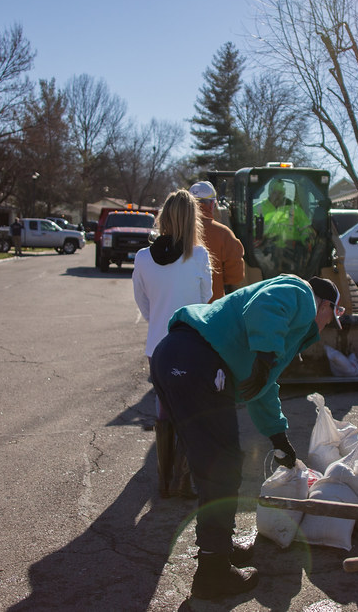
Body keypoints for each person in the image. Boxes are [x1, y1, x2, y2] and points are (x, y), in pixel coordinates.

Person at [149, 274, 345, 600]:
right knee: (221, 468)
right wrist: (265, 356)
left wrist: (278, 436)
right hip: (198, 360)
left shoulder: (282, 330)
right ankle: (212, 573)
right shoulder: (299, 291)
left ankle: (219, 547)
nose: (326, 326)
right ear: (324, 305)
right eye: (330, 317)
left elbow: (262, 389)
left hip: (176, 356)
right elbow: (266, 305)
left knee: (213, 464)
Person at [133, 189, 213, 498]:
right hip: (190, 346)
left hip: (157, 347)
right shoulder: (199, 256)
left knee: (164, 411)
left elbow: (143, 303)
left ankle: (164, 482)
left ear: (163, 217)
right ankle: (183, 481)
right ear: (193, 220)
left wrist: (158, 321)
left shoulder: (143, 258)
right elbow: (205, 299)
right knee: (192, 413)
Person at [189, 181, 245, 300]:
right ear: (212, 205)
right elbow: (236, 276)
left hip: (178, 306)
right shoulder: (223, 234)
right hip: (211, 306)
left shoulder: (174, 231)